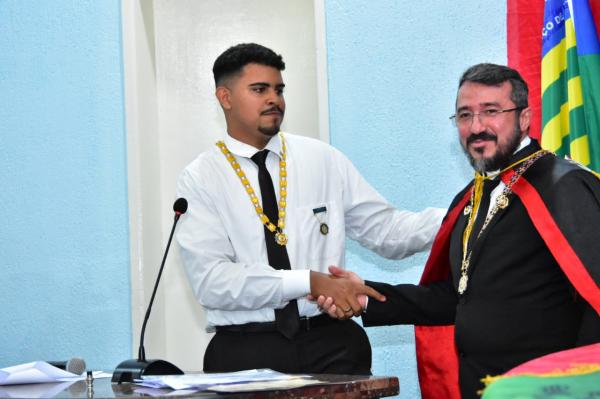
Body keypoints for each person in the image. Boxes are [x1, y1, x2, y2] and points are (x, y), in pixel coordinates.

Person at [317, 63, 600, 398]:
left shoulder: (563, 184)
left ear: (524, 118)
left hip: (548, 389)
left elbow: (593, 296)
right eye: (464, 116)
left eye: (491, 112)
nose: (476, 127)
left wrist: (576, 385)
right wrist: (365, 295)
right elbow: (456, 297)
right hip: (479, 387)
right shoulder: (471, 198)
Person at [175, 43, 445, 375]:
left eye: (279, 89)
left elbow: (387, 232)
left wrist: (464, 214)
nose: (274, 99)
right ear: (225, 97)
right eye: (259, 89)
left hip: (332, 343)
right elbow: (213, 282)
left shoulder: (322, 159)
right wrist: (309, 282)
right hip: (244, 352)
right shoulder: (200, 178)